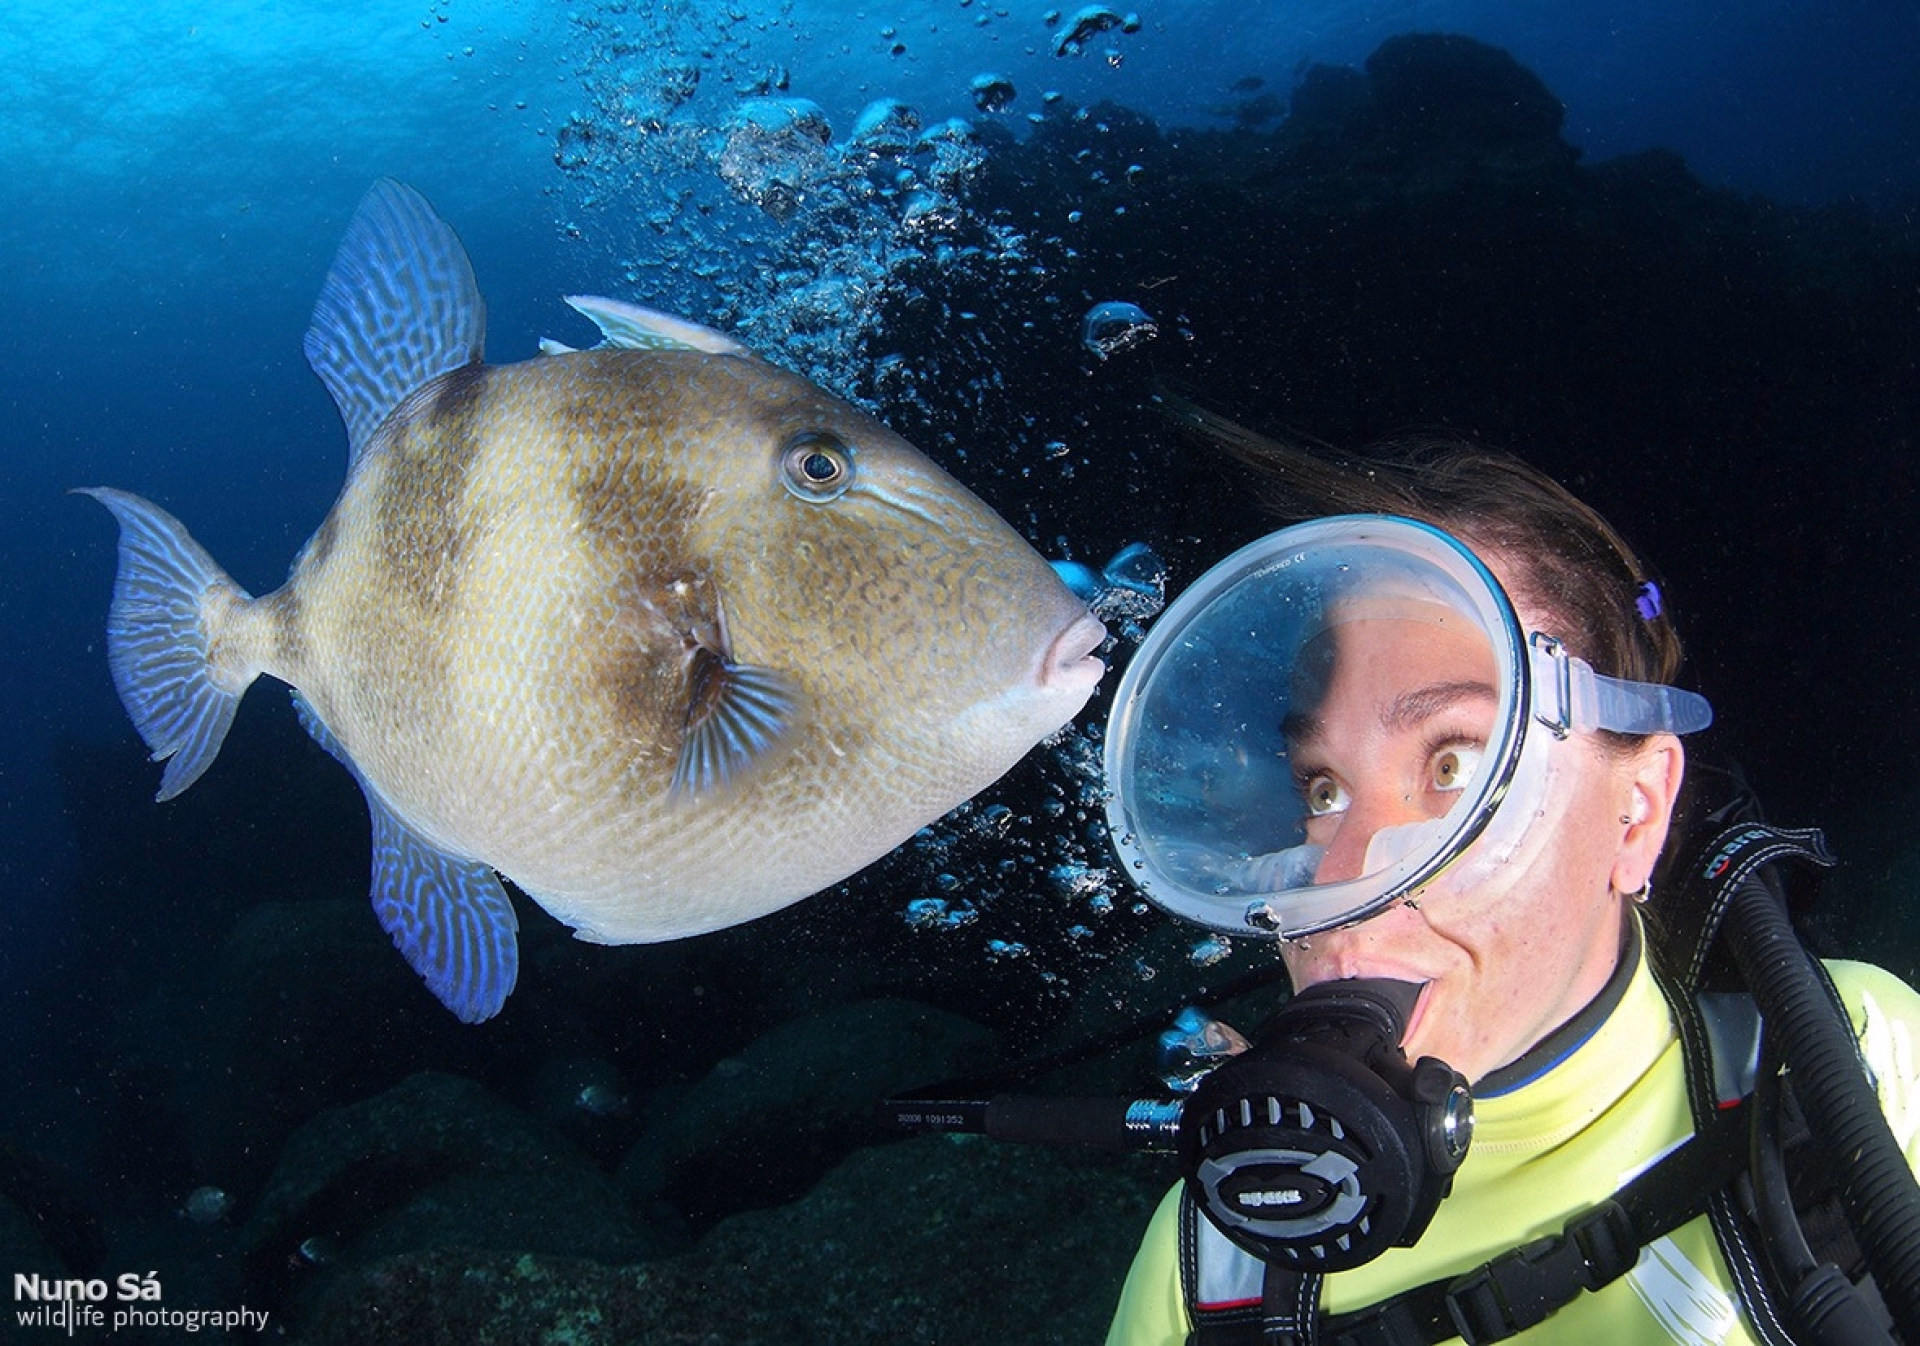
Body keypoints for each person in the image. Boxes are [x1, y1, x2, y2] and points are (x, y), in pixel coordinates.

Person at [1099, 416, 1920, 1345]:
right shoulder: (1211, 1265)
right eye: (1322, 790)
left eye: (1453, 768)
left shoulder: (1862, 1064)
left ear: (1637, 813)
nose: (1337, 880)